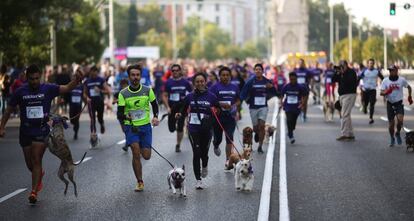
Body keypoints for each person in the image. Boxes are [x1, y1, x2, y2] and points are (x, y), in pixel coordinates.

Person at [0, 64, 83, 204]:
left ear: (41, 77)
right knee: (30, 164)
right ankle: (39, 175)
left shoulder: (48, 88)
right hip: (25, 131)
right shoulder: (20, 92)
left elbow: (67, 88)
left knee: (36, 159)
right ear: (27, 78)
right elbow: (8, 110)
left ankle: (33, 192)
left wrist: (76, 80)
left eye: (37, 78)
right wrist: (2, 127)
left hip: (41, 129)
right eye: (31, 79)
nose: (34, 81)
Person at [117, 64, 159, 192]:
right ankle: (140, 181)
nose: (135, 77)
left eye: (137, 75)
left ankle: (142, 146)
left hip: (145, 127)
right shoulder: (123, 93)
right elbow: (120, 113)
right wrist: (126, 116)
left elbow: (154, 105)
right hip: (132, 127)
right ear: (129, 77)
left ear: (140, 76)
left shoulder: (147, 90)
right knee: (135, 152)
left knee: (146, 156)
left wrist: (156, 116)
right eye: (133, 75)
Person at [175, 73, 219, 189]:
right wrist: (179, 114)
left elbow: (218, 109)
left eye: (202, 81)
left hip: (206, 129)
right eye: (197, 81)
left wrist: (215, 111)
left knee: (204, 154)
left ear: (205, 82)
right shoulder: (190, 96)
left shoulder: (212, 97)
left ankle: (205, 165)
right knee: (196, 152)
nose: (200, 83)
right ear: (194, 83)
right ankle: (198, 180)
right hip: (193, 128)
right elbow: (183, 109)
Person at [240, 63, 278, 153]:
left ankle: (260, 146)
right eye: (256, 69)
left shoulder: (266, 81)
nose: (258, 71)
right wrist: (240, 101)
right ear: (254, 71)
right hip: (253, 107)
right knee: (256, 127)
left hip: (263, 107)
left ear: (262, 71)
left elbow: (274, 91)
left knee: (262, 126)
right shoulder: (250, 81)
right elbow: (243, 93)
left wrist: (271, 87)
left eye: (259, 69)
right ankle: (256, 133)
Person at [209, 66, 240, 170]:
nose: (225, 77)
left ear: (230, 76)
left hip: (230, 116)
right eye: (223, 75)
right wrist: (220, 104)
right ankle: (216, 144)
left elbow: (238, 100)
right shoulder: (214, 87)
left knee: (229, 138)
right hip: (218, 117)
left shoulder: (234, 87)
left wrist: (235, 108)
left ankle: (228, 160)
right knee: (218, 138)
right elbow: (210, 101)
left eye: (227, 75)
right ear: (220, 76)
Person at [162, 64, 192, 152]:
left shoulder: (186, 82)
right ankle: (175, 125)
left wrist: (190, 106)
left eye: (176, 70)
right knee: (171, 129)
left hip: (182, 106)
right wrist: (167, 107)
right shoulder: (168, 82)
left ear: (180, 71)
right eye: (173, 70)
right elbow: (164, 95)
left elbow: (191, 95)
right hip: (172, 106)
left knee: (180, 126)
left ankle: (178, 144)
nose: (175, 72)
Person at [380, 65, 412, 147]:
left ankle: (397, 133)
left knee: (400, 120)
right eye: (390, 71)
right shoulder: (385, 81)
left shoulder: (401, 80)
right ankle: (392, 137)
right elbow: (381, 92)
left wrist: (410, 96)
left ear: (397, 71)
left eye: (393, 70)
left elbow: (409, 87)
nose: (392, 72)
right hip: (390, 104)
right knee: (391, 124)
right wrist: (387, 91)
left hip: (399, 103)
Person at [83, 66, 111, 145]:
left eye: (95, 73)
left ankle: (102, 124)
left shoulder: (101, 80)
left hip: (99, 102)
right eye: (92, 73)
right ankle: (93, 137)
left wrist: (100, 90)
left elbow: (108, 91)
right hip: (91, 102)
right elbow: (84, 93)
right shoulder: (87, 81)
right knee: (92, 119)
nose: (93, 74)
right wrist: (86, 97)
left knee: (99, 117)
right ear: (90, 72)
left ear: (97, 72)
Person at [332, 60, 358, 141]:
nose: (340, 67)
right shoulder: (340, 72)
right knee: (347, 115)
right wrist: (336, 72)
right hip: (342, 96)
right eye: (339, 65)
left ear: (346, 65)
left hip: (349, 95)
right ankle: (350, 134)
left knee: (344, 114)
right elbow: (333, 80)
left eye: (342, 65)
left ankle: (345, 134)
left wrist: (343, 73)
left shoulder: (351, 72)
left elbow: (350, 82)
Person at [280, 72, 307, 144]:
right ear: (289, 79)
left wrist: (302, 104)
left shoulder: (300, 87)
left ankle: (290, 130)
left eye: (294, 79)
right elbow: (282, 95)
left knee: (293, 123)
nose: (292, 81)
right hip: (288, 106)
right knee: (289, 120)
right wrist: (281, 102)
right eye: (291, 79)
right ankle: (291, 135)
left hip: (296, 107)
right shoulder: (286, 86)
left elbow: (304, 95)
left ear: (296, 79)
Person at [359, 58, 384, 124]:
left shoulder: (376, 71)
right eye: (370, 63)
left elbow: (382, 78)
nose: (371, 65)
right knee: (366, 103)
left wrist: (384, 84)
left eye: (372, 63)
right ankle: (364, 107)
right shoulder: (364, 71)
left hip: (373, 90)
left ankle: (371, 118)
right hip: (365, 90)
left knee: (372, 104)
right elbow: (358, 78)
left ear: (374, 64)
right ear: (368, 64)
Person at [69, 72, 84, 140]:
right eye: (74, 77)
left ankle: (76, 133)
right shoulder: (70, 85)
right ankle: (74, 124)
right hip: (72, 105)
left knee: (77, 120)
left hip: (78, 106)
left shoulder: (81, 86)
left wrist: (86, 100)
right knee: (72, 120)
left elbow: (84, 95)